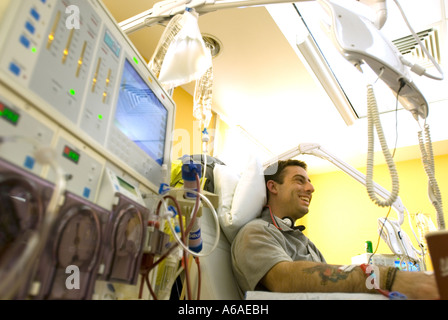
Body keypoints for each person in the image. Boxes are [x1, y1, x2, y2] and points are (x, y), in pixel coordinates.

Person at [231, 159, 439, 299]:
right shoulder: (256, 232)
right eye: (299, 180)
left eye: (310, 182)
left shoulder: (304, 242)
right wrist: (389, 278)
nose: (311, 188)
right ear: (273, 187)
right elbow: (283, 278)